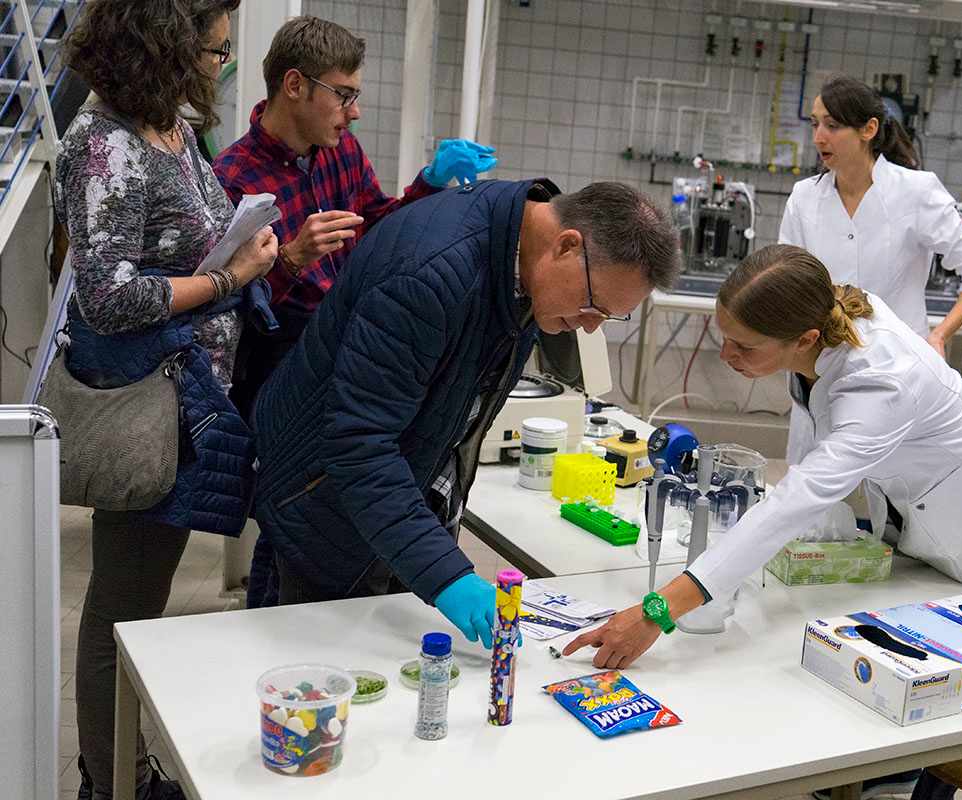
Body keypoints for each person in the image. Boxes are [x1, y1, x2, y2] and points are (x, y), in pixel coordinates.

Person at [564, 244, 962, 671]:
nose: (726, 355)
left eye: (743, 345)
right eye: (725, 338)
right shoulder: (819, 329)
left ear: (804, 339)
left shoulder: (881, 382)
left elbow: (797, 498)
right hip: (921, 511)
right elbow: (810, 461)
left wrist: (657, 611)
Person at [250, 180, 680, 644]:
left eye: (610, 317)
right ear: (567, 246)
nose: (591, 326)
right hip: (320, 506)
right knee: (312, 690)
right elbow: (358, 445)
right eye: (594, 307)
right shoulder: (429, 273)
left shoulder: (517, 249)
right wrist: (445, 574)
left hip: (391, 503)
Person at [54, 1, 278, 798]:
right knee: (122, 612)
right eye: (215, 50)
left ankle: (123, 766)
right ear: (167, 48)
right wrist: (228, 278)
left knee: (139, 608)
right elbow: (109, 297)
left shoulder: (171, 133)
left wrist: (247, 247)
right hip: (147, 405)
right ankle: (109, 780)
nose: (221, 65)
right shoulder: (104, 146)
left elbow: (190, 238)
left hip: (189, 399)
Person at [212, 15, 498, 419]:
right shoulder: (233, 178)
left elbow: (378, 231)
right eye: (344, 95)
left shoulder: (341, 151)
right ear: (295, 85)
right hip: (276, 366)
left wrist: (431, 180)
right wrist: (292, 258)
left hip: (347, 343)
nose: (356, 111)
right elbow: (227, 309)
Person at [778, 76, 962, 358]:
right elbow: (787, 281)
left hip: (899, 364)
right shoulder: (804, 197)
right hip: (822, 363)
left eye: (832, 125)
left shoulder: (916, 191)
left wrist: (939, 336)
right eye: (815, 124)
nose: (819, 137)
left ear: (869, 129)